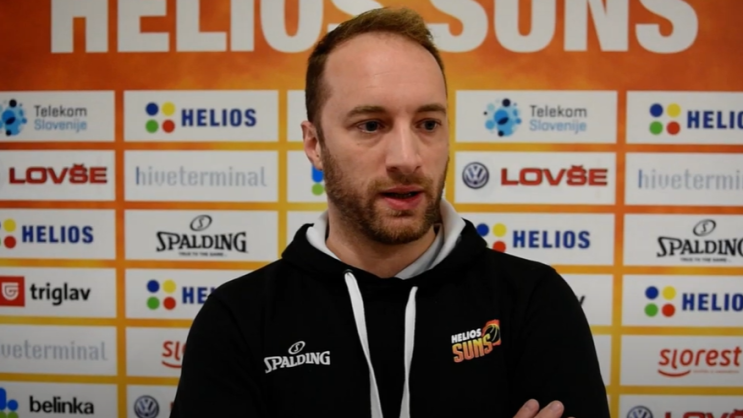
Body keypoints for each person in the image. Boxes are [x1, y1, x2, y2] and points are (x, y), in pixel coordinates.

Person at [170, 7, 609, 418]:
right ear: (314, 143)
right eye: (371, 125)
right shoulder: (239, 318)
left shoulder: (533, 301)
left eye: (427, 124)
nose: (407, 158)